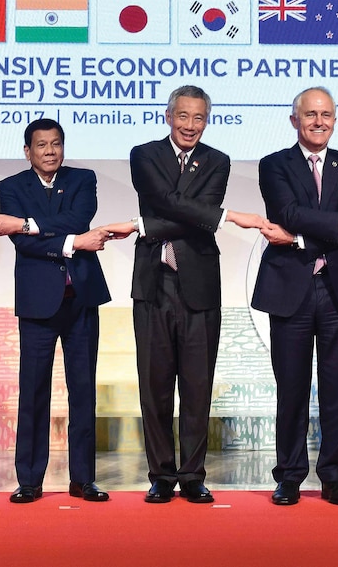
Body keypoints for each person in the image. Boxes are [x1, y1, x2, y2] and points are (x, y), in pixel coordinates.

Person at [102, 85, 273, 505]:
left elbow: (195, 220)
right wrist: (225, 216)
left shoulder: (218, 160)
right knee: (154, 384)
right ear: (168, 116)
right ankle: (161, 475)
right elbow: (169, 201)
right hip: (152, 283)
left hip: (198, 286)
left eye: (199, 118)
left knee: (197, 385)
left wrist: (144, 224)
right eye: (183, 116)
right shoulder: (144, 154)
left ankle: (193, 475)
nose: (190, 126)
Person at [255, 87, 338, 507]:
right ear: (295, 120)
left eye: (326, 114)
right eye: (310, 114)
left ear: (334, 120)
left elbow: (333, 225)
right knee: (291, 387)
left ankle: (334, 477)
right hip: (289, 288)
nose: (318, 121)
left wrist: (301, 235)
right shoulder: (274, 164)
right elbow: (287, 212)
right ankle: (289, 476)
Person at [0, 118, 118, 503]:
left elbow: (78, 220)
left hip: (81, 299)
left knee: (83, 392)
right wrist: (72, 242)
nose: (49, 151)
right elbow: (23, 244)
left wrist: (28, 224)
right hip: (37, 302)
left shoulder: (83, 179)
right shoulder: (10, 186)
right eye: (41, 145)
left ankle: (83, 479)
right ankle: (29, 480)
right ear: (27, 151)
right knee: (33, 392)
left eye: (56, 144)